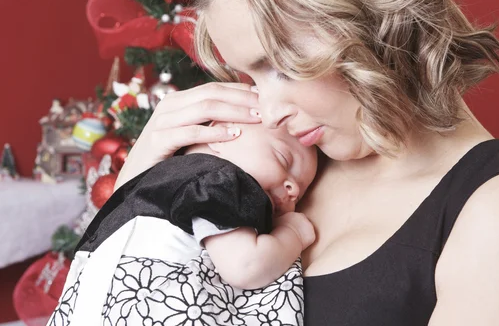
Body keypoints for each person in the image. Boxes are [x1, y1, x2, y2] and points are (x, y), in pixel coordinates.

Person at [114, 0, 499, 325]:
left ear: (373, 17)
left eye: (283, 64)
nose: (269, 109)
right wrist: (137, 191)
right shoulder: (287, 168)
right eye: (248, 76)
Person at [47, 122, 317, 326]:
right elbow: (246, 266)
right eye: (283, 159)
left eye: (301, 189)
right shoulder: (222, 179)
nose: (292, 188)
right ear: (221, 134)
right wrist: (293, 233)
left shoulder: (162, 181)